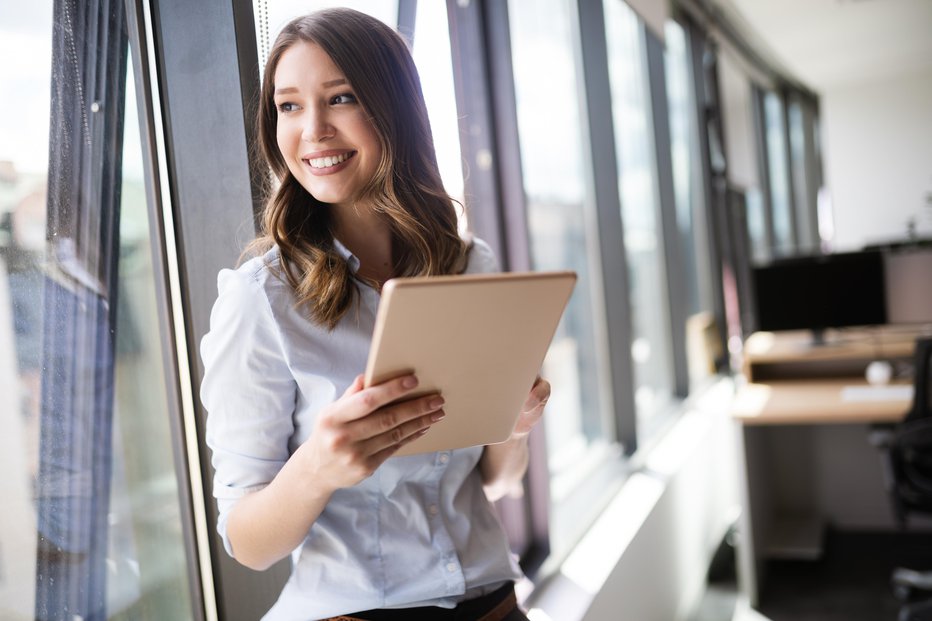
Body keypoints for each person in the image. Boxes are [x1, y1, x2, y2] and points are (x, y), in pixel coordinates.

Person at [199, 8, 550, 621]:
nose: (312, 130)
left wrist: (513, 424)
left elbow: (493, 481)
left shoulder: (469, 265)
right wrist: (317, 468)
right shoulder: (262, 298)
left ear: (395, 109)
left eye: (340, 98)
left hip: (497, 605)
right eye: (288, 106)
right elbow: (247, 543)